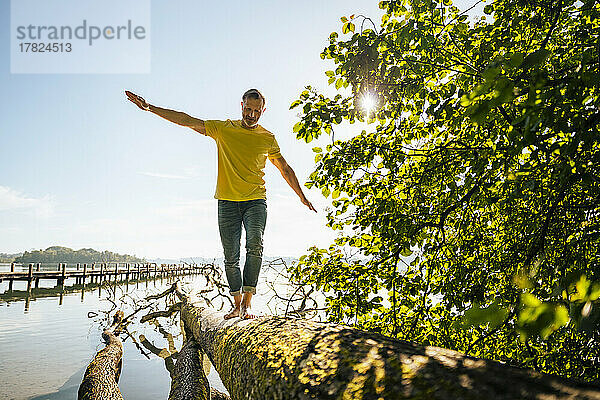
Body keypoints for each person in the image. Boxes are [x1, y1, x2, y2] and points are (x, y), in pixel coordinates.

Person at [125, 89, 316, 319]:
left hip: (255, 200)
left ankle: (247, 303)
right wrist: (150, 108)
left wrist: (301, 196)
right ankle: (236, 304)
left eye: (257, 111)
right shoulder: (224, 129)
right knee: (231, 255)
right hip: (227, 202)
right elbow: (186, 120)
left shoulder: (267, 138)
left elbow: (284, 168)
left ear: (263, 111)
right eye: (248, 109)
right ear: (241, 105)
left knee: (255, 243)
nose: (252, 115)